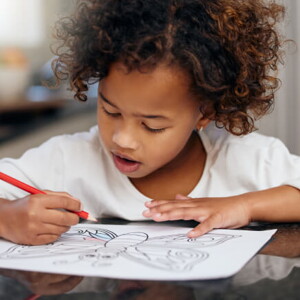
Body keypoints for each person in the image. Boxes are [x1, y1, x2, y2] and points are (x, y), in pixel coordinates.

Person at [0, 0, 299, 246]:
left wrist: (245, 206)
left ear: (205, 113)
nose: (122, 139)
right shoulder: (68, 158)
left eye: (152, 126)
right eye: (110, 111)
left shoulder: (245, 159)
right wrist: (8, 217)